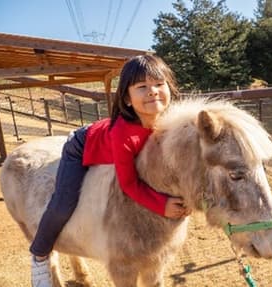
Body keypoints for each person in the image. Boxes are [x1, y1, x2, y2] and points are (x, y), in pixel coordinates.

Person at [30, 55, 190, 287]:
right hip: (81, 145)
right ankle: (39, 253)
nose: (153, 91)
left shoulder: (170, 125)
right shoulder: (124, 134)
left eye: (159, 84)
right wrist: (162, 205)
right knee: (63, 203)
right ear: (126, 98)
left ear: (170, 88)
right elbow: (128, 184)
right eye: (142, 87)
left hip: (107, 136)